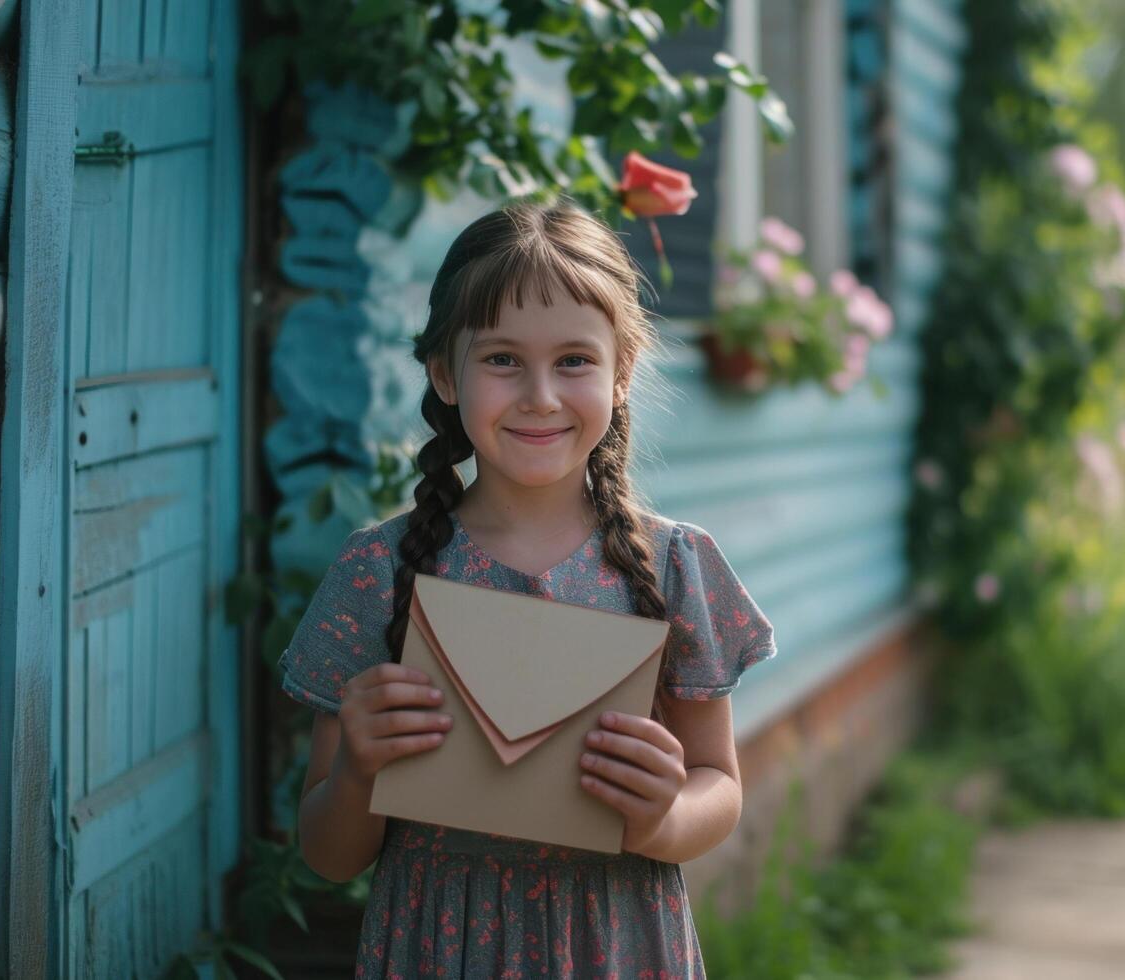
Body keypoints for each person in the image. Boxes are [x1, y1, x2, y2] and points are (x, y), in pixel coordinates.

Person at [277, 196, 778, 978]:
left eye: (573, 360)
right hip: (439, 946)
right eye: (503, 359)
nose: (540, 394)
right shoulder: (378, 573)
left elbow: (719, 785)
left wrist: (664, 815)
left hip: (615, 943)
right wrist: (356, 775)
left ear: (622, 374)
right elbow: (328, 854)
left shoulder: (676, 567)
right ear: (446, 373)